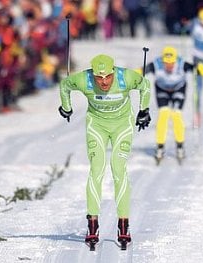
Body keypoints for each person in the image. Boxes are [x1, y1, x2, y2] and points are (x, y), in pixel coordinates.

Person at [58, 54, 151, 248]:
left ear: (113, 71)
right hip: (97, 126)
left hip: (122, 126)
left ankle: (123, 224)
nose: (103, 82)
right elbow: (65, 85)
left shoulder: (125, 77)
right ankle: (93, 224)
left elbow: (145, 85)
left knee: (118, 169)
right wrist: (66, 108)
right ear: (92, 73)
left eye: (108, 77)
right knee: (96, 170)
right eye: (98, 78)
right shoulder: (84, 79)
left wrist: (144, 110)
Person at [142, 46, 203, 164]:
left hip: (179, 88)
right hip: (162, 89)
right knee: (163, 114)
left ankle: (180, 147)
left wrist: (201, 68)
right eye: (166, 63)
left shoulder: (181, 63)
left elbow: (198, 70)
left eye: (171, 63)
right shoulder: (156, 64)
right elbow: (141, 71)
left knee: (176, 115)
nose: (169, 66)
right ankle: (160, 147)